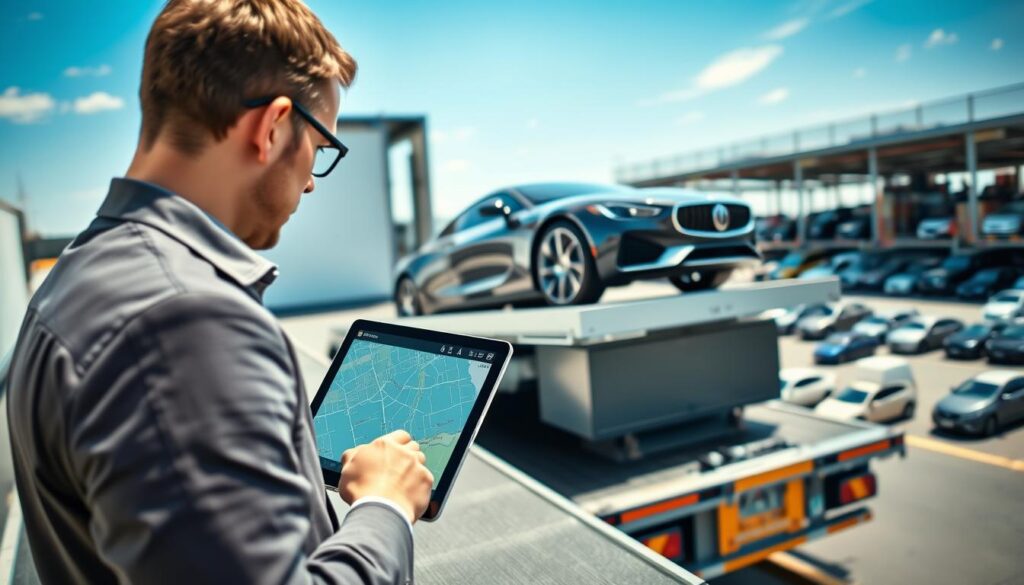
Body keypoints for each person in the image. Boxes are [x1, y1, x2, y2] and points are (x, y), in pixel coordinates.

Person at [4, 1, 433, 583]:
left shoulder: (75, 275)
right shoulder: (183, 321)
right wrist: (385, 505)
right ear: (274, 127)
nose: (310, 180)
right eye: (320, 147)